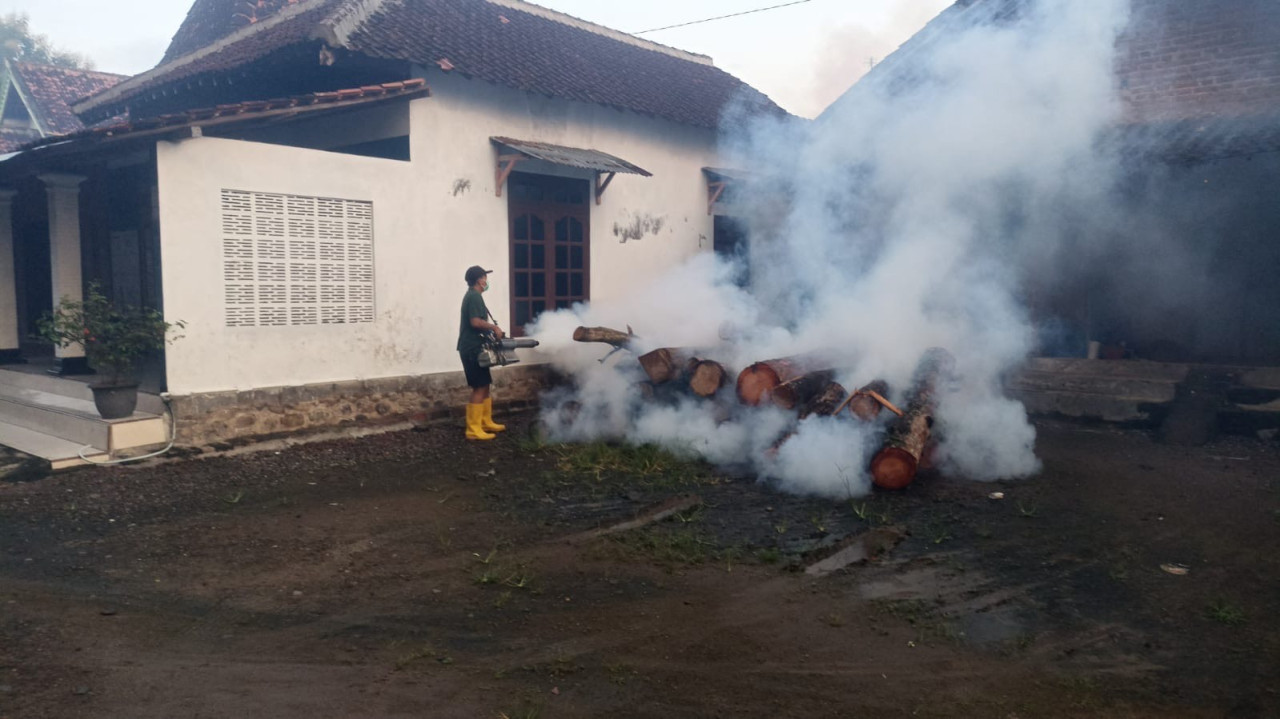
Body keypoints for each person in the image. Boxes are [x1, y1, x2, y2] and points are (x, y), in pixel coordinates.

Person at [457, 265, 507, 441]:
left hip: (476, 347)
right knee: (479, 387)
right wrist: (493, 327)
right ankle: (473, 429)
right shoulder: (474, 297)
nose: (486, 281)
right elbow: (475, 322)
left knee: (485, 384)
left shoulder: (474, 296)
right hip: (471, 349)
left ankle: (485, 422)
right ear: (479, 280)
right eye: (485, 277)